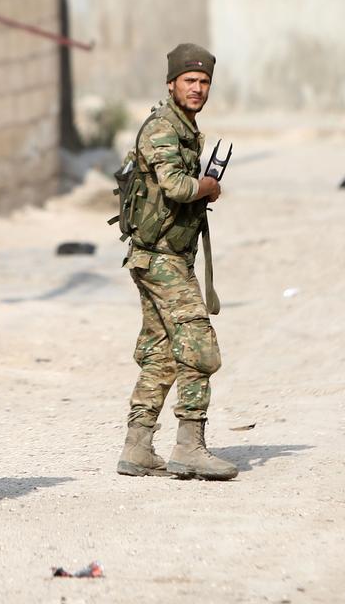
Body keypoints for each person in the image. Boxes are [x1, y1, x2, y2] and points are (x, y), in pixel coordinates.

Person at [115, 42, 237, 481]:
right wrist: (207, 186)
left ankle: (138, 446)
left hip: (164, 256)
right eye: (190, 81)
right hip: (160, 258)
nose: (198, 88)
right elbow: (176, 187)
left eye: (204, 82)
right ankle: (189, 445)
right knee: (198, 346)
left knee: (163, 353)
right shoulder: (163, 128)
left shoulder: (183, 126)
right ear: (171, 84)